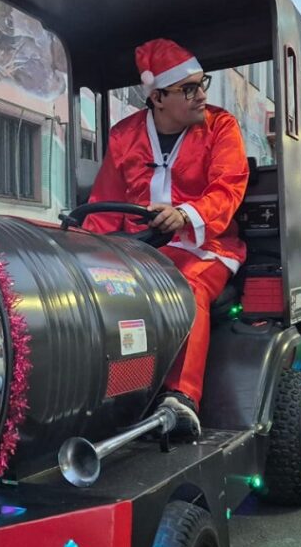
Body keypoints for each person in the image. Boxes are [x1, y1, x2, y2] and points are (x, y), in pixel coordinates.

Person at [83, 38, 249, 437]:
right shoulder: (124, 135)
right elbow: (105, 202)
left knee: (185, 286)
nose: (202, 95)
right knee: (99, 291)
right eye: (189, 88)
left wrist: (185, 215)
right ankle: (109, 397)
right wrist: (88, 256)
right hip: (139, 250)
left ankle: (181, 398)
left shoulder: (221, 125)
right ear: (157, 97)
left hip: (206, 247)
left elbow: (229, 188)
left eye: (202, 83)